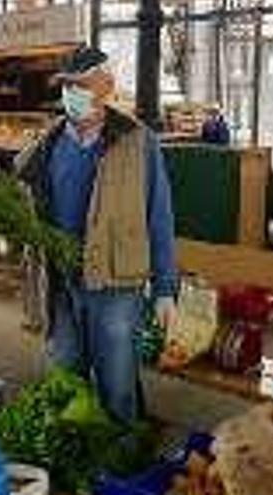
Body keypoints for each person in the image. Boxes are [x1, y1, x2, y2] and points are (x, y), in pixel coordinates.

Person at [15, 45, 178, 422]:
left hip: (116, 286)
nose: (72, 94)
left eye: (82, 85)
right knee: (64, 381)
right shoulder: (46, 145)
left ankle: (121, 465)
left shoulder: (139, 143)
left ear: (107, 86)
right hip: (62, 282)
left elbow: (160, 217)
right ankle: (79, 459)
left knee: (117, 387)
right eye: (67, 86)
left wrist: (166, 287)